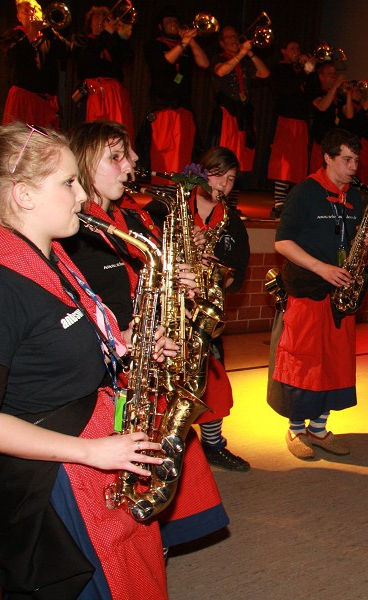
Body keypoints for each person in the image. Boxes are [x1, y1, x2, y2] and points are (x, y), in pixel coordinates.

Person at [0, 122, 178, 597]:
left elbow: (57, 338)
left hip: (90, 445)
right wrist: (92, 453)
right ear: (23, 196)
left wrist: (128, 341)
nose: (80, 196)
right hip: (58, 475)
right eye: (69, 183)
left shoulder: (48, 254)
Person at [62, 120, 231, 548]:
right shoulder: (72, 231)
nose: (132, 164)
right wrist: (125, 336)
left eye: (129, 154)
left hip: (155, 360)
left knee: (163, 472)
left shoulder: (131, 216)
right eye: (116, 157)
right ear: (83, 164)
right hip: (115, 376)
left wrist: (182, 280)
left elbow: (153, 277)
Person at [268, 128, 368, 459]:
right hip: (308, 288)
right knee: (303, 361)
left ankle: (319, 428)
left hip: (341, 292)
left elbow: (348, 236)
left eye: (357, 159)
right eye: (346, 159)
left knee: (334, 360)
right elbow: (281, 242)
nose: (354, 167)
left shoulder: (356, 196)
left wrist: (366, 239)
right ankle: (296, 430)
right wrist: (321, 268)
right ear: (327, 158)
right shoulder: (305, 192)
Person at [186, 146, 253, 469]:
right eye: (219, 176)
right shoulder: (171, 209)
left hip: (206, 312)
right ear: (203, 172)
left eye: (230, 180)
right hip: (171, 307)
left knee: (214, 381)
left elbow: (238, 270)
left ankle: (213, 444)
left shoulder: (232, 223)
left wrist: (215, 282)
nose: (223, 186)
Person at [139, 5, 209, 183]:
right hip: (162, 108)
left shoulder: (186, 46)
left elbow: (205, 64)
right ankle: (162, 192)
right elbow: (162, 64)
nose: (173, 24)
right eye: (168, 21)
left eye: (176, 21)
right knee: (162, 155)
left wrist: (191, 41)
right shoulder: (154, 45)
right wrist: (183, 43)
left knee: (185, 154)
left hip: (184, 109)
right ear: (160, 26)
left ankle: (182, 192)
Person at [208, 26, 270, 191]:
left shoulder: (245, 62)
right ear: (222, 43)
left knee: (241, 159)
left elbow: (265, 73)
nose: (234, 39)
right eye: (229, 37)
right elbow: (222, 71)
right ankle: (219, 197)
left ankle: (232, 203)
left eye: (235, 35)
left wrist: (249, 53)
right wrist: (242, 53)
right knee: (225, 157)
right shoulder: (218, 59)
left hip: (244, 116)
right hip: (227, 115)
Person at [0, 0, 71, 128]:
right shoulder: (12, 35)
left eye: (34, 10)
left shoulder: (49, 37)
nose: (31, 14)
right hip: (23, 100)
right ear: (19, 17)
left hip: (46, 103)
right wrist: (31, 33)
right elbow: (12, 57)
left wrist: (47, 30)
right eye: (26, 11)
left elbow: (68, 52)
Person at [74, 6, 134, 141]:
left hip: (114, 96)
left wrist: (122, 36)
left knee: (116, 135)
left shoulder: (113, 42)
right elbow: (85, 60)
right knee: (92, 136)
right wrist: (105, 34)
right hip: (92, 95)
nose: (101, 21)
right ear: (89, 23)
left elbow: (128, 59)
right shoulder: (82, 40)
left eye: (104, 18)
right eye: (96, 18)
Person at [267, 40, 309, 218]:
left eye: (298, 48)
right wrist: (304, 72)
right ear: (283, 51)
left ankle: (293, 204)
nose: (297, 51)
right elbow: (287, 89)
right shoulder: (280, 69)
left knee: (298, 165)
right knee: (282, 163)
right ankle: (279, 204)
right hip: (285, 120)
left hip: (301, 122)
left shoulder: (301, 72)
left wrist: (308, 71)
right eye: (292, 48)